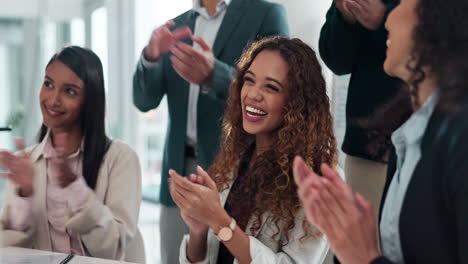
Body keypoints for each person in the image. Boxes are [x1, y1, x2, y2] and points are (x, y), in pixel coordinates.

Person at [294, 0, 468, 263]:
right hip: (375, 141)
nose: (390, 20)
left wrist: (365, 257)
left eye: (401, 5)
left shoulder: (457, 145)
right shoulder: (407, 140)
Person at [132, 0, 288, 262]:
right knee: (176, 257)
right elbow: (144, 101)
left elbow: (280, 91)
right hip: (179, 170)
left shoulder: (265, 14)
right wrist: (150, 57)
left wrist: (214, 75)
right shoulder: (177, 27)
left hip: (236, 172)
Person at [169, 36, 337, 264]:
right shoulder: (237, 158)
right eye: (249, 80)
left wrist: (220, 221)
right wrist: (199, 230)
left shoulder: (320, 179)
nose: (253, 94)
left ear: (298, 101)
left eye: (271, 87)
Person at [0, 46, 145, 263]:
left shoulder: (121, 158)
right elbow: (8, 249)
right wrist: (25, 194)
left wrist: (75, 190)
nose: (53, 99)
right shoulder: (26, 162)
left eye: (69, 91)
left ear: (90, 101)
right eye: (48, 84)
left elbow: (113, 250)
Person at [319, 0, 404, 215]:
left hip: (428, 145)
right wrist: (346, 19)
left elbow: (449, 40)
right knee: (360, 243)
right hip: (367, 149)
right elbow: (337, 62)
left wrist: (384, 19)